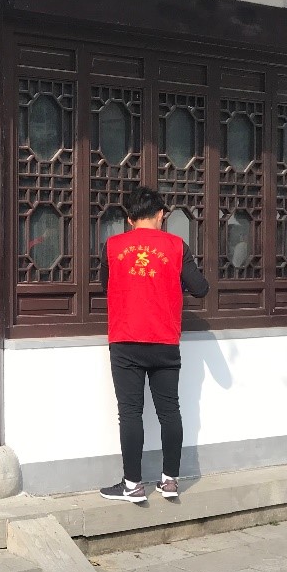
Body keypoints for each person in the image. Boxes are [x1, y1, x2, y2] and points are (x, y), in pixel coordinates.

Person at [99, 186, 209, 502]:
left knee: (130, 413)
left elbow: (106, 285)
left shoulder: (112, 246)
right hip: (164, 340)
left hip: (125, 340)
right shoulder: (177, 246)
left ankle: (133, 485)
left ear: (129, 218)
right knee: (169, 410)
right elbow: (200, 288)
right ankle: (170, 481)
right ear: (161, 214)